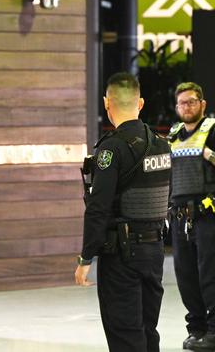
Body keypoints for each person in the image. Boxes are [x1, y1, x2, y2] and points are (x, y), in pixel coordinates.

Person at [74, 72, 171, 352]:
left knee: (125, 335)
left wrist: (86, 256)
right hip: (154, 252)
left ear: (107, 104)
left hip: (121, 255)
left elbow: (98, 207)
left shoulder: (111, 149)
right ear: (140, 103)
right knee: (147, 331)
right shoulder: (162, 145)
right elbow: (167, 195)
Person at [167, 82, 215, 351]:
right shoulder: (174, 134)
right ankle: (198, 329)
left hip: (208, 213)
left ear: (203, 104)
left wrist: (210, 155)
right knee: (185, 275)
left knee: (210, 274)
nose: (186, 107)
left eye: (191, 101)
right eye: (182, 103)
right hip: (180, 216)